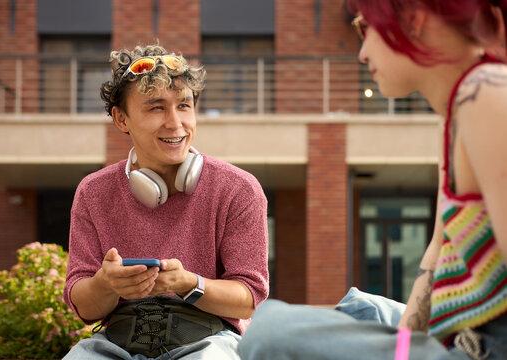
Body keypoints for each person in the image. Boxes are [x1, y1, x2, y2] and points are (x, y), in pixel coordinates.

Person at [239, 0, 507, 359]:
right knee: (360, 305)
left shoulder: (486, 92)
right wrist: (400, 350)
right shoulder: (457, 111)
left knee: (269, 329)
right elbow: (438, 251)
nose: (362, 54)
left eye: (365, 29)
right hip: (456, 334)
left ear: (413, 20)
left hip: (482, 346)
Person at [63, 44, 269, 360]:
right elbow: (86, 309)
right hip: (113, 343)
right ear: (121, 118)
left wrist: (188, 283)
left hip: (209, 342)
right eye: (156, 107)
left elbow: (248, 298)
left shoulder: (239, 189)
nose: (175, 124)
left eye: (184, 106)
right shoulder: (93, 192)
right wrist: (106, 284)